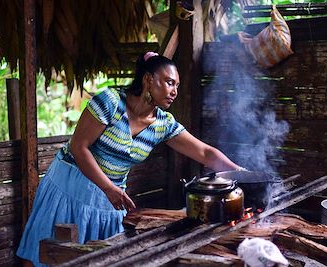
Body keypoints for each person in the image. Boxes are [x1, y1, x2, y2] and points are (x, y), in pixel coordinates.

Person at [16, 52, 243, 266]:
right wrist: (108, 188)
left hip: (110, 199)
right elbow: (78, 147)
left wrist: (240, 173)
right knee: (46, 257)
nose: (174, 91)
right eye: (169, 82)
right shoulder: (110, 102)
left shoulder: (163, 123)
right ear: (148, 79)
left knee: (101, 259)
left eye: (177, 86)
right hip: (70, 188)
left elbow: (204, 153)